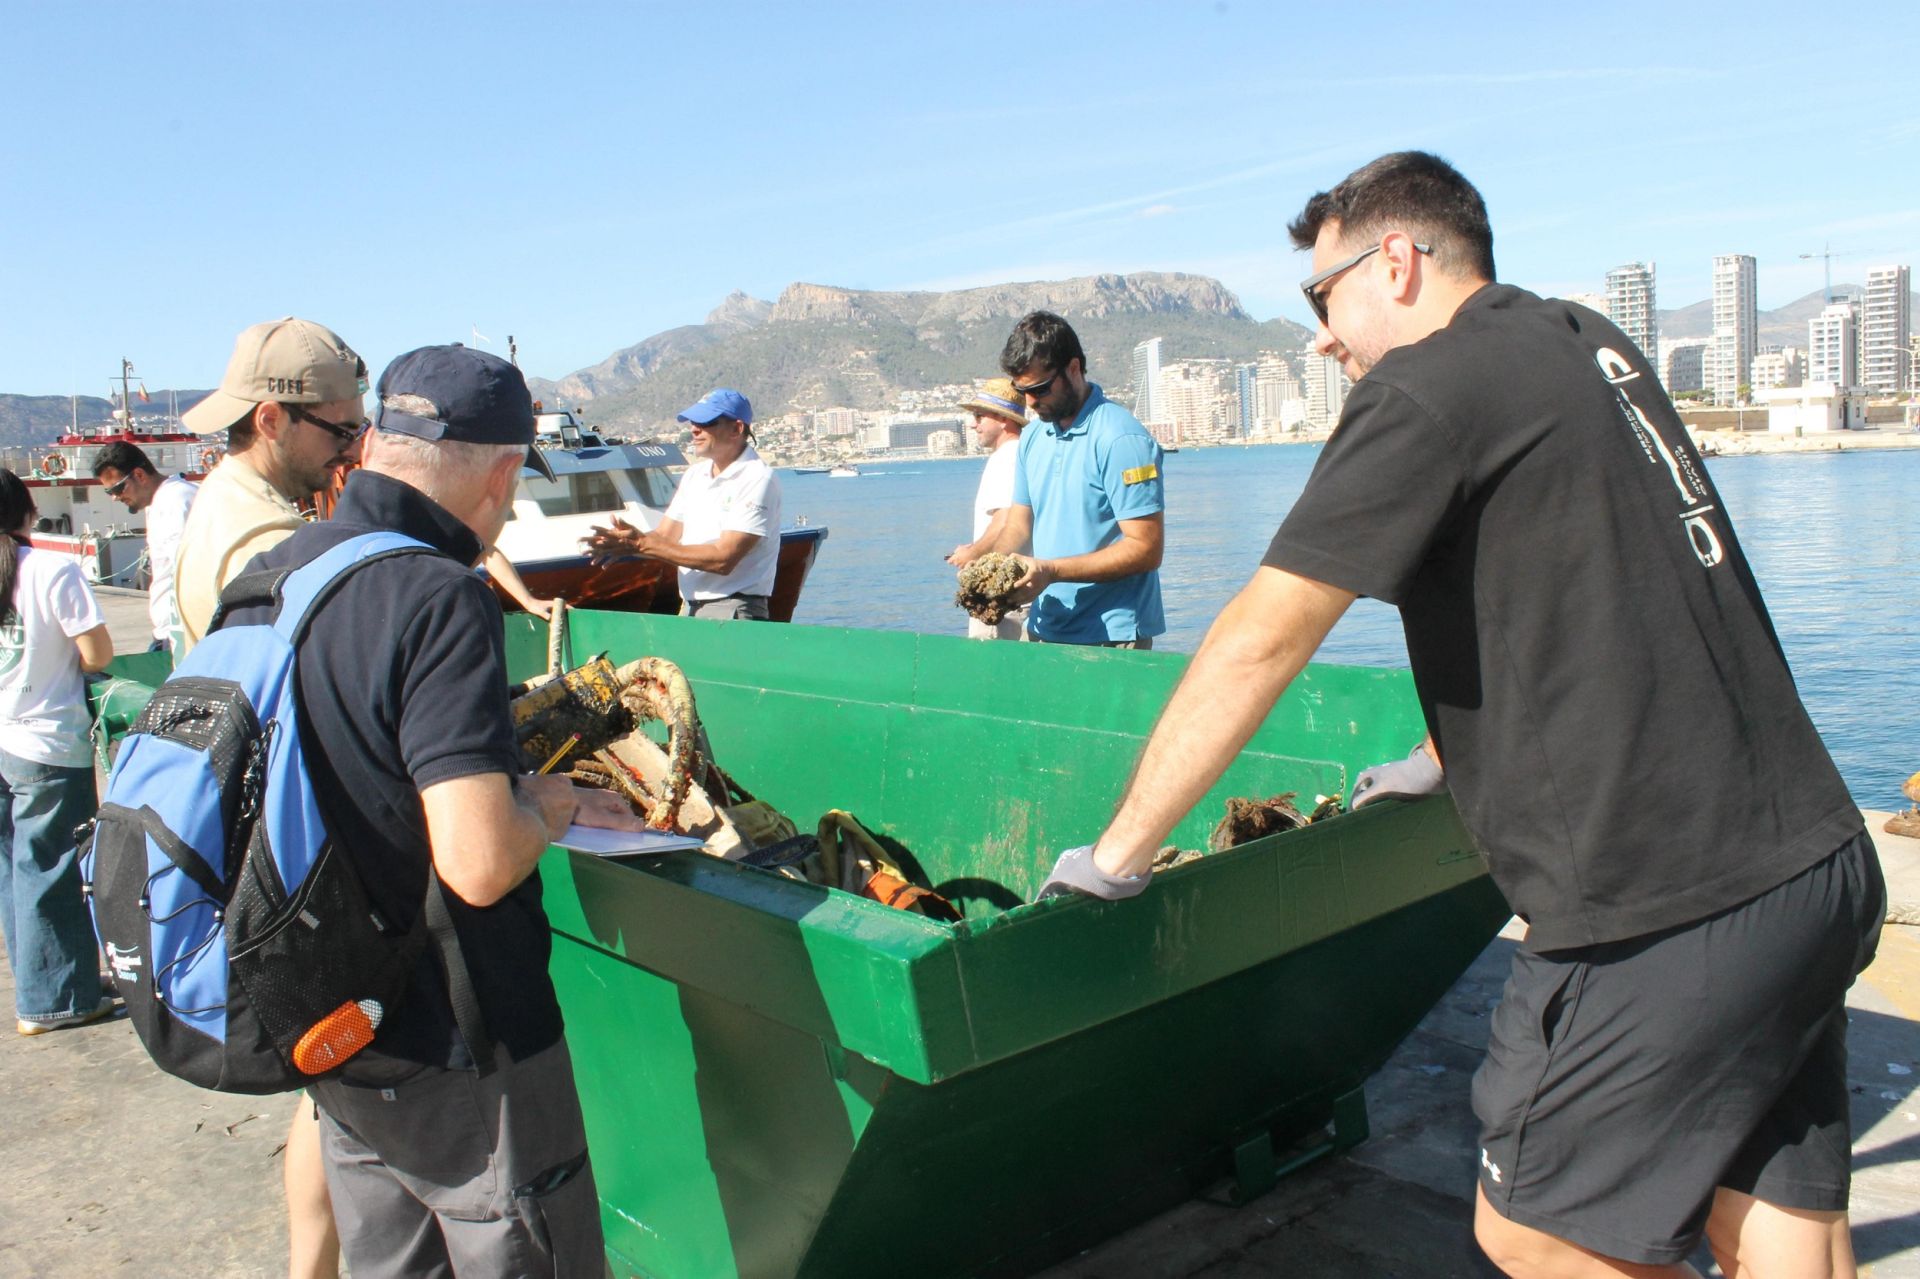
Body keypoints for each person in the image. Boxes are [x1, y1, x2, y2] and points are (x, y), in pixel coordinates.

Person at [1039, 151, 1885, 1279]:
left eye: (1322, 298)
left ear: (1394, 261)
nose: (1322, 339)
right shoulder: (1586, 344)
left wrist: (1117, 857)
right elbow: (1578, 591)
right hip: (1812, 864)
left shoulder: (1424, 388)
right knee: (1770, 1214)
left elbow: (1263, 635)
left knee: (1532, 1226)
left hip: (1662, 908)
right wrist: (1440, 754)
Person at [222, 344, 629, 1278]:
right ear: (501, 473)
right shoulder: (440, 596)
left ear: (372, 448)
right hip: (459, 1039)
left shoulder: (272, 576)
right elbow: (477, 860)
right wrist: (550, 802)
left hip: (334, 1022)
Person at [174, 317, 372, 654]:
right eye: (342, 432)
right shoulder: (269, 544)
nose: (353, 451)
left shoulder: (220, 495)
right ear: (271, 421)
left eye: (360, 430)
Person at [0, 470, 116, 1036]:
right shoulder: (51, 569)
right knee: (52, 870)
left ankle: (41, 981)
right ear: (26, 511)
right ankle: (57, 1000)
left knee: (14, 872)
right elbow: (96, 655)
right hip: (45, 742)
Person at [982, 311, 1165, 647]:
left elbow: (1146, 549)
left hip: (1112, 636)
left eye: (1040, 389)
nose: (1031, 402)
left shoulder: (1121, 439)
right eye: (1022, 391)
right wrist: (990, 572)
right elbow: (1019, 525)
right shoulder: (1033, 436)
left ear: (1074, 368)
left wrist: (1051, 571)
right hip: (1044, 626)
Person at [581, 388, 781, 620]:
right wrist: (624, 542)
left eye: (706, 422)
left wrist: (640, 544)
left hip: (734, 608)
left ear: (736, 429)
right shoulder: (695, 475)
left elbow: (724, 559)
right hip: (690, 606)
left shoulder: (758, 479)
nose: (694, 429)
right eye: (693, 422)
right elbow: (664, 536)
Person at [89, 440, 198, 652]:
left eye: (118, 488)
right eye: (109, 492)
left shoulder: (174, 501)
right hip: (173, 631)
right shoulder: (165, 500)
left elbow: (189, 572)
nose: (115, 498)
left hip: (180, 635)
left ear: (139, 475)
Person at [946, 377, 1031, 640]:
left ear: (1004, 419)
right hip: (1019, 589)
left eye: (979, 416)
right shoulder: (1023, 453)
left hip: (1001, 596)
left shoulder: (1005, 458)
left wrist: (972, 554)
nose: (974, 424)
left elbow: (1005, 520)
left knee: (990, 662)